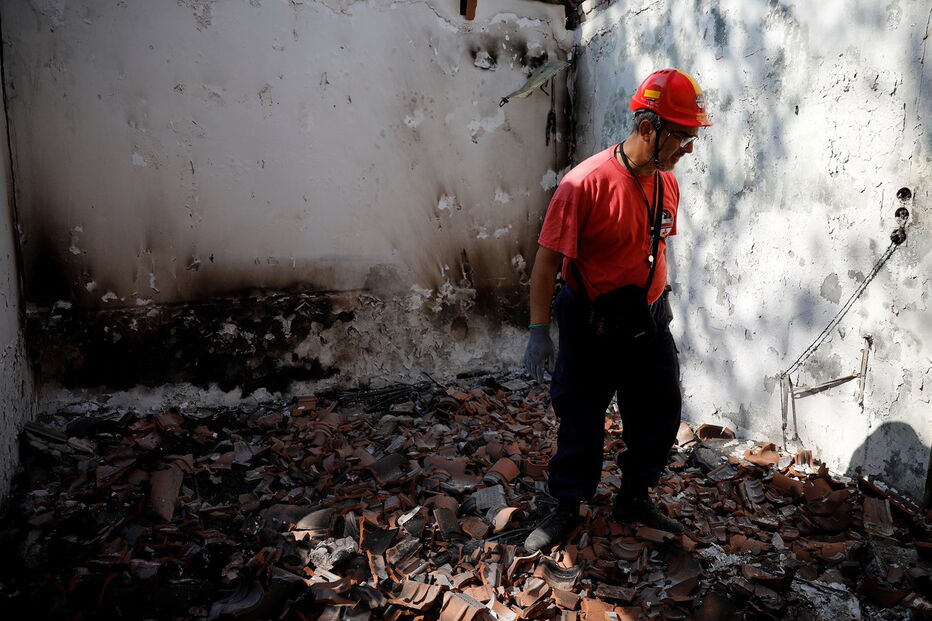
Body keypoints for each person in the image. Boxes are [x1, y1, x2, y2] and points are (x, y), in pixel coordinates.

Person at [522, 69, 711, 552]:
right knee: (581, 415)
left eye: (692, 137)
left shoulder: (666, 183)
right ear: (649, 128)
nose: (688, 148)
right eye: (683, 136)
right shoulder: (583, 185)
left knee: (661, 408)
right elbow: (546, 261)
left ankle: (634, 495)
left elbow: (654, 248)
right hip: (592, 321)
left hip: (648, 320)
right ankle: (565, 503)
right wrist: (539, 329)